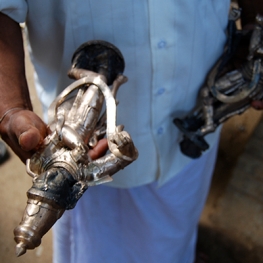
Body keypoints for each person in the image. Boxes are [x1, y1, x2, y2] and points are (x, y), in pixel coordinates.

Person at [0, 1, 262, 262]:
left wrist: (255, 26)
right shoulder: (75, 167)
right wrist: (11, 109)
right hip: (97, 153)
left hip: (194, 90)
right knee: (101, 245)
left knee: (179, 217)